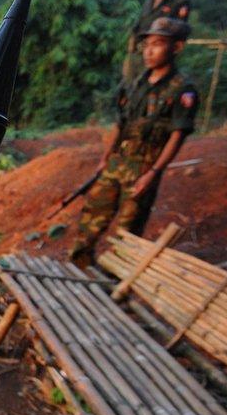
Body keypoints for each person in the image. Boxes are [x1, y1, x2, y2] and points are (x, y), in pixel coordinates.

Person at [70, 17, 199, 268]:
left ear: (177, 48)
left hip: (144, 166)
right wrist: (104, 159)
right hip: (117, 161)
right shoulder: (135, 84)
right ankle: (79, 266)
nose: (149, 51)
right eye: (147, 44)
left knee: (128, 229)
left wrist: (152, 174)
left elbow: (177, 134)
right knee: (93, 214)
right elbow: (120, 124)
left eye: (158, 44)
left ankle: (113, 280)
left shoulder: (182, 89)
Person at [124, 0, 191, 82]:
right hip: (139, 54)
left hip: (159, 57)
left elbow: (182, 31)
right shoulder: (150, 0)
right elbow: (140, 24)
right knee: (131, 87)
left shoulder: (178, 1)